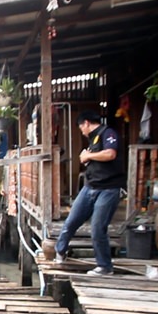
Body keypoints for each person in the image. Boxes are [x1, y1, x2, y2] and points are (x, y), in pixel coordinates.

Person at [54, 110, 125, 275]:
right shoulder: (93, 138)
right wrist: (86, 157)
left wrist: (88, 156)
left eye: (81, 127)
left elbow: (110, 154)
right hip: (90, 186)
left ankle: (105, 266)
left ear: (86, 123)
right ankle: (60, 251)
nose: (81, 131)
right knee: (71, 221)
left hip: (108, 188)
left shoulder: (108, 133)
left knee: (97, 228)